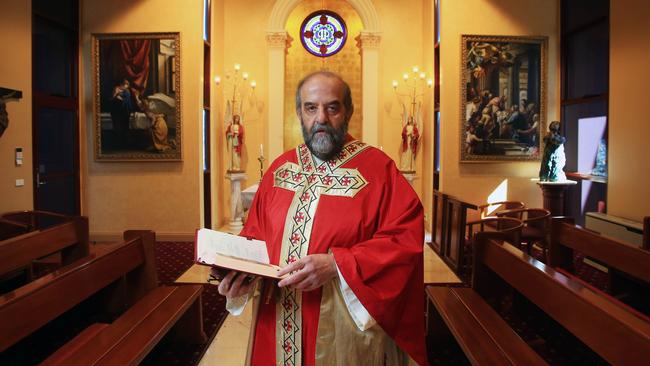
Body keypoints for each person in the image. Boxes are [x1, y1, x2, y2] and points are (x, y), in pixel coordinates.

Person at [216, 71, 426, 366]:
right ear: (300, 113)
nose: (321, 118)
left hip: (342, 328)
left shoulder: (379, 171)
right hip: (274, 320)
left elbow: (404, 242)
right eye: (311, 107)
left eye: (333, 107)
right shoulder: (280, 169)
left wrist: (337, 265)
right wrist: (239, 277)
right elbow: (256, 236)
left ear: (348, 111)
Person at [110, 78, 135, 148]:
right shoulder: (117, 89)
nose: (127, 87)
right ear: (122, 85)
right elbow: (113, 98)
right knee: (118, 126)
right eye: (126, 85)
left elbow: (124, 100)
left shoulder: (126, 92)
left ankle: (124, 142)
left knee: (124, 126)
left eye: (127, 85)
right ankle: (120, 141)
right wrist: (116, 94)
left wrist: (118, 96)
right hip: (118, 111)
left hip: (125, 111)